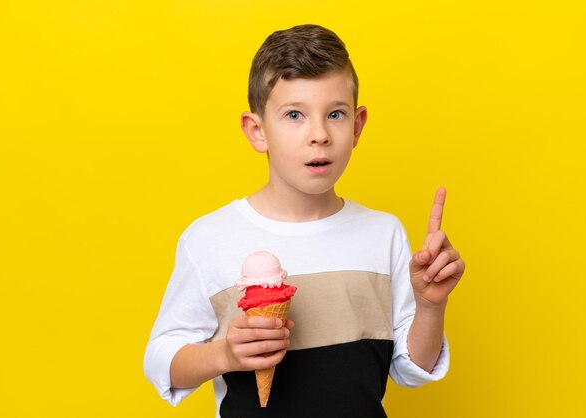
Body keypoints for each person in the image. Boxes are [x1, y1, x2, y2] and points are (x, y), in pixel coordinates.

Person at [143, 24, 465, 418]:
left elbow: (411, 368)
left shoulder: (384, 234)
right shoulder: (209, 239)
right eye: (294, 114)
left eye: (335, 114)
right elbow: (161, 361)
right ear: (257, 131)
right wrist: (224, 353)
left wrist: (430, 306)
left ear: (358, 125)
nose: (319, 134)